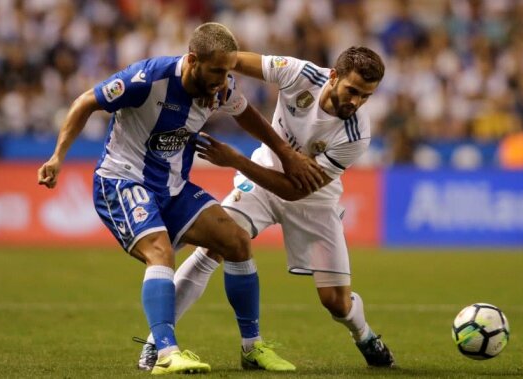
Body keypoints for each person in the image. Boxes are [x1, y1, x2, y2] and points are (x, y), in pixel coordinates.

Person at [37, 22, 323, 375]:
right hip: (123, 180)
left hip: (173, 186)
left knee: (235, 241)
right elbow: (85, 103)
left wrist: (285, 151)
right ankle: (165, 353)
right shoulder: (145, 79)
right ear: (192, 60)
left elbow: (247, 114)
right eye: (217, 70)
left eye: (228, 70)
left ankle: (252, 348)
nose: (224, 79)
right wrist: (57, 157)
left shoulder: (220, 87)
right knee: (160, 251)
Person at [137, 46, 395, 371]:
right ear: (333, 76)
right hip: (259, 183)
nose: (356, 102)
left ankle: (365, 335)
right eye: (353, 91)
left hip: (313, 201)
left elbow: (294, 190)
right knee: (211, 249)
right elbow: (232, 59)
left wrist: (236, 161)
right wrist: (202, 76)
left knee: (336, 303)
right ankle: (156, 344)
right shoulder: (299, 73)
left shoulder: (356, 135)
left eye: (366, 97)